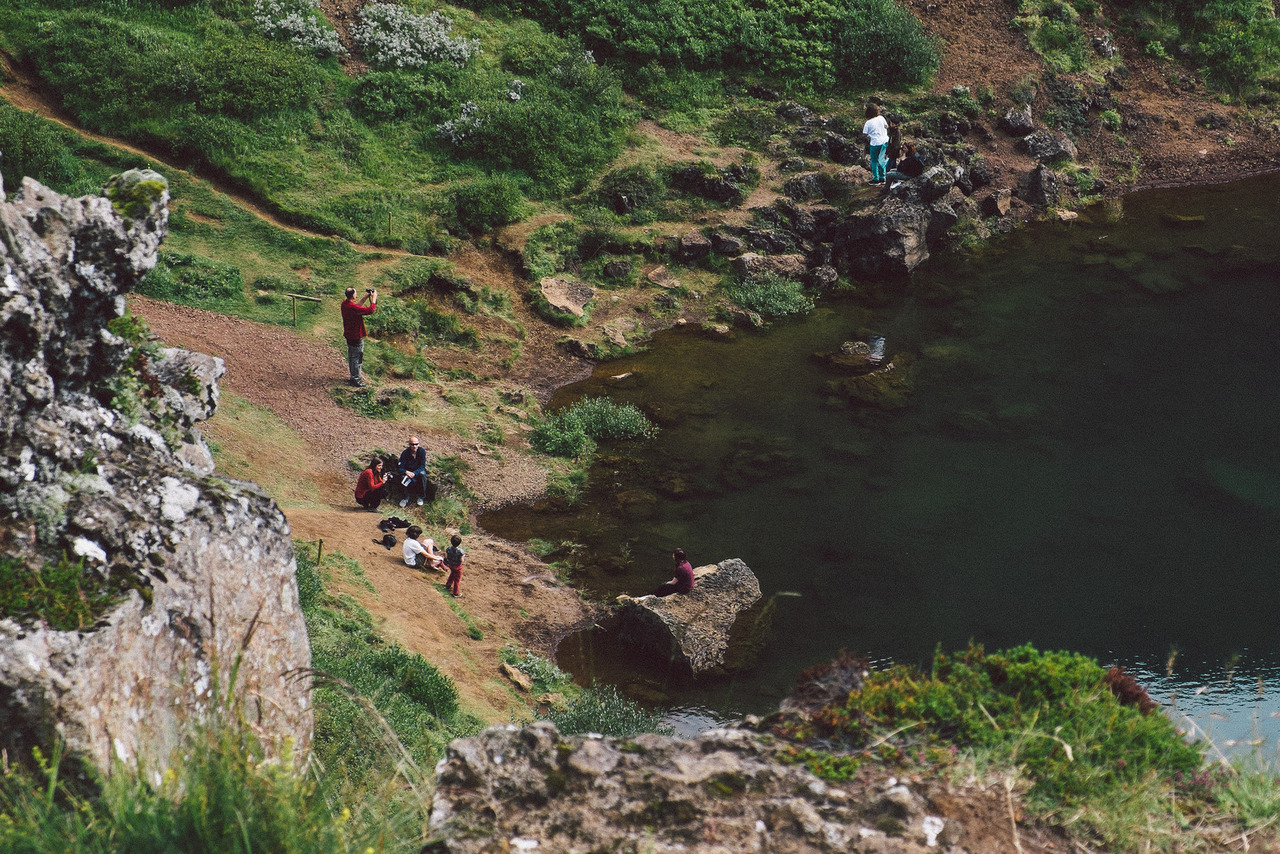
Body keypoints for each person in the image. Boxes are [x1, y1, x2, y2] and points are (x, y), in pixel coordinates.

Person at [340, 286, 377, 387]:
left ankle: (353, 376)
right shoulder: (353, 308)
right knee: (357, 357)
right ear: (353, 296)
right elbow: (370, 310)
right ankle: (356, 380)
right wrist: (374, 299)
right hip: (356, 335)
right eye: (355, 293)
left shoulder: (345, 304)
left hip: (348, 335)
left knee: (352, 356)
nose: (356, 294)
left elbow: (357, 306)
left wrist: (366, 297)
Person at [862, 104, 890, 185]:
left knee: (874, 161)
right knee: (882, 159)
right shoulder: (881, 118)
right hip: (885, 141)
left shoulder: (868, 123)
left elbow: (864, 134)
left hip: (875, 143)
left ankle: (876, 178)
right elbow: (886, 126)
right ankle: (883, 177)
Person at [398, 436, 428, 507]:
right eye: (412, 444)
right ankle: (405, 498)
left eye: (416, 444)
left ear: (418, 444)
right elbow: (400, 467)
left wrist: (415, 473)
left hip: (417, 472)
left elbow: (422, 466)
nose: (414, 446)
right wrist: (406, 472)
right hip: (408, 472)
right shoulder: (405, 453)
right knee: (403, 477)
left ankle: (421, 497)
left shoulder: (421, 452)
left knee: (423, 474)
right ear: (409, 445)